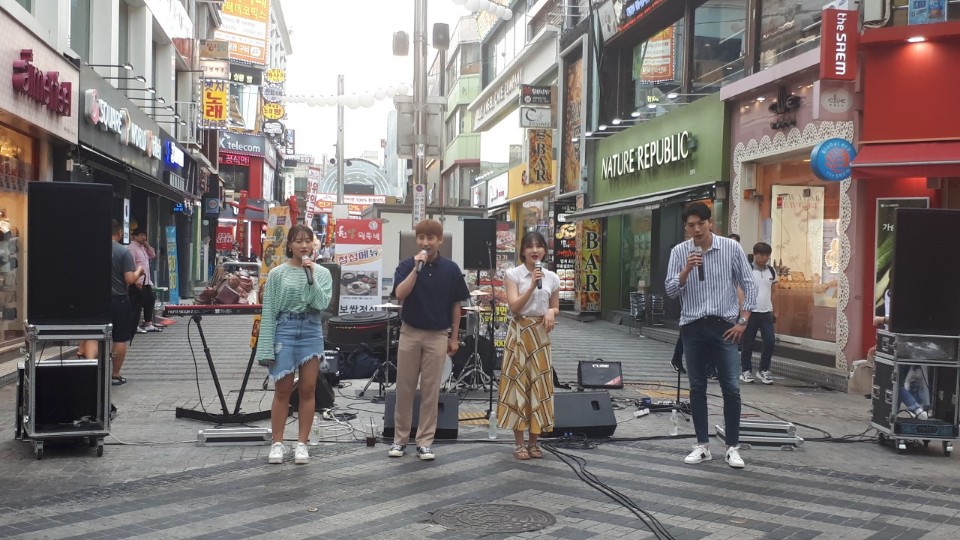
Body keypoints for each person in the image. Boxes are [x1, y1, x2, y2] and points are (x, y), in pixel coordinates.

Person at [665, 203, 757, 469]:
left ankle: (732, 447)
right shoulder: (679, 252)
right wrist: (686, 270)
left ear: (710, 223)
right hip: (692, 326)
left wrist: (743, 321)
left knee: (731, 387)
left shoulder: (731, 248)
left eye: (700, 224)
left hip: (724, 326)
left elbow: (749, 284)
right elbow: (671, 290)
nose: (696, 229)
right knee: (697, 387)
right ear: (686, 228)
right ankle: (702, 445)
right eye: (690, 225)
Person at [389, 219, 470, 461]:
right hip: (410, 332)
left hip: (438, 334)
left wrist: (454, 337)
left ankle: (424, 442)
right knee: (404, 388)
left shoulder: (451, 269)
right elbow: (400, 294)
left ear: (440, 240)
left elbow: (456, 306)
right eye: (421, 237)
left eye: (431, 238)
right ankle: (400, 439)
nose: (426, 242)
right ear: (417, 240)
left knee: (430, 390)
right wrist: (416, 269)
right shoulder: (407, 265)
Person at [255, 224, 333, 465]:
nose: (304, 245)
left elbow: (321, 304)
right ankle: (277, 443)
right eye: (298, 241)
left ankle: (302, 443)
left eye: (308, 241)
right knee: (283, 390)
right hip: (285, 329)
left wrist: (311, 279)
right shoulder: (277, 274)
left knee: (308, 389)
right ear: (289, 245)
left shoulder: (322, 273)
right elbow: (269, 311)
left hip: (311, 329)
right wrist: (265, 347)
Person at [497, 231, 560, 460]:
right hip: (519, 334)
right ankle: (519, 443)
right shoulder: (513, 274)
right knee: (518, 385)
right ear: (522, 251)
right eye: (530, 246)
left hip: (540, 336)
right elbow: (514, 306)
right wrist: (532, 285)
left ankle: (534, 442)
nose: (535, 250)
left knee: (539, 386)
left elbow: (555, 306)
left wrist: (551, 312)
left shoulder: (552, 277)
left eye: (539, 246)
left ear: (545, 250)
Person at [110, 220, 144, 385]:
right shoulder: (123, 252)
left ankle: (92, 371)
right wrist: (139, 271)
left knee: (95, 336)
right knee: (119, 338)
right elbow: (129, 279)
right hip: (118, 299)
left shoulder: (92, 249)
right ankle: (115, 374)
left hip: (96, 301)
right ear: (119, 232)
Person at [740, 242, 778, 385]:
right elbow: (740, 290)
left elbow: (774, 291)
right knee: (748, 342)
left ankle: (763, 370)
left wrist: (775, 310)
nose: (764, 258)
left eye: (767, 255)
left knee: (770, 340)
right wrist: (742, 310)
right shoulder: (747, 270)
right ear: (755, 254)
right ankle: (746, 370)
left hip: (766, 311)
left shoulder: (771, 271)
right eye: (761, 255)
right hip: (750, 311)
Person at [127, 228, 159, 333]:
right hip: (137, 281)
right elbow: (131, 265)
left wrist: (146, 244)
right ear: (134, 236)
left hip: (146, 281)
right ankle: (134, 325)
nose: (144, 237)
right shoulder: (132, 248)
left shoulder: (143, 248)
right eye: (141, 235)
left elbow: (153, 255)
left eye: (145, 235)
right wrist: (135, 281)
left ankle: (148, 324)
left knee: (150, 301)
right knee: (136, 305)